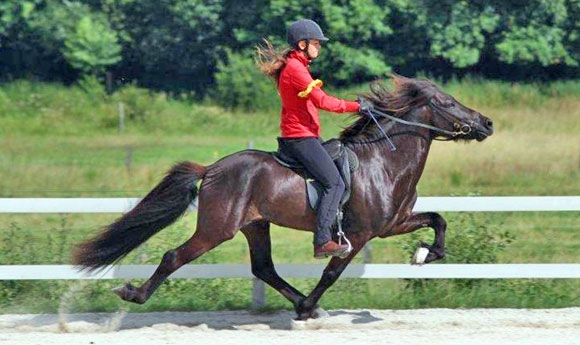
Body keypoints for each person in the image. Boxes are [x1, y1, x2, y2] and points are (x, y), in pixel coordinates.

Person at [256, 19, 363, 259]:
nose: (320, 47)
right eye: (316, 43)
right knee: (335, 183)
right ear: (302, 44)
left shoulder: (297, 65)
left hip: (304, 136)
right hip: (300, 138)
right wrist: (357, 106)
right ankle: (323, 240)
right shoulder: (296, 69)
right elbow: (324, 101)